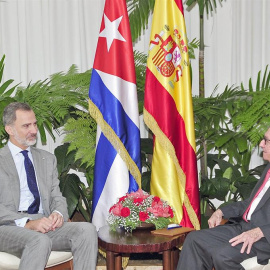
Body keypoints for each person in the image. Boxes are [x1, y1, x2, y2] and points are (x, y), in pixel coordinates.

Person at [0, 102, 98, 270]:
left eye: (35, 124)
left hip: (44, 222)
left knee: (87, 231)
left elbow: (56, 196)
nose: (34, 130)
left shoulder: (47, 159)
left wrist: (58, 213)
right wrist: (28, 223)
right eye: (26, 126)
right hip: (8, 226)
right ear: (9, 129)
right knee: (39, 240)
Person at [177, 127, 270, 270]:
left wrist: (260, 232)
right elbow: (252, 204)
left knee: (222, 256)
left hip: (263, 238)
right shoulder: (268, 170)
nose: (261, 144)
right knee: (194, 239)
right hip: (243, 227)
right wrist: (221, 211)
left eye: (266, 141)